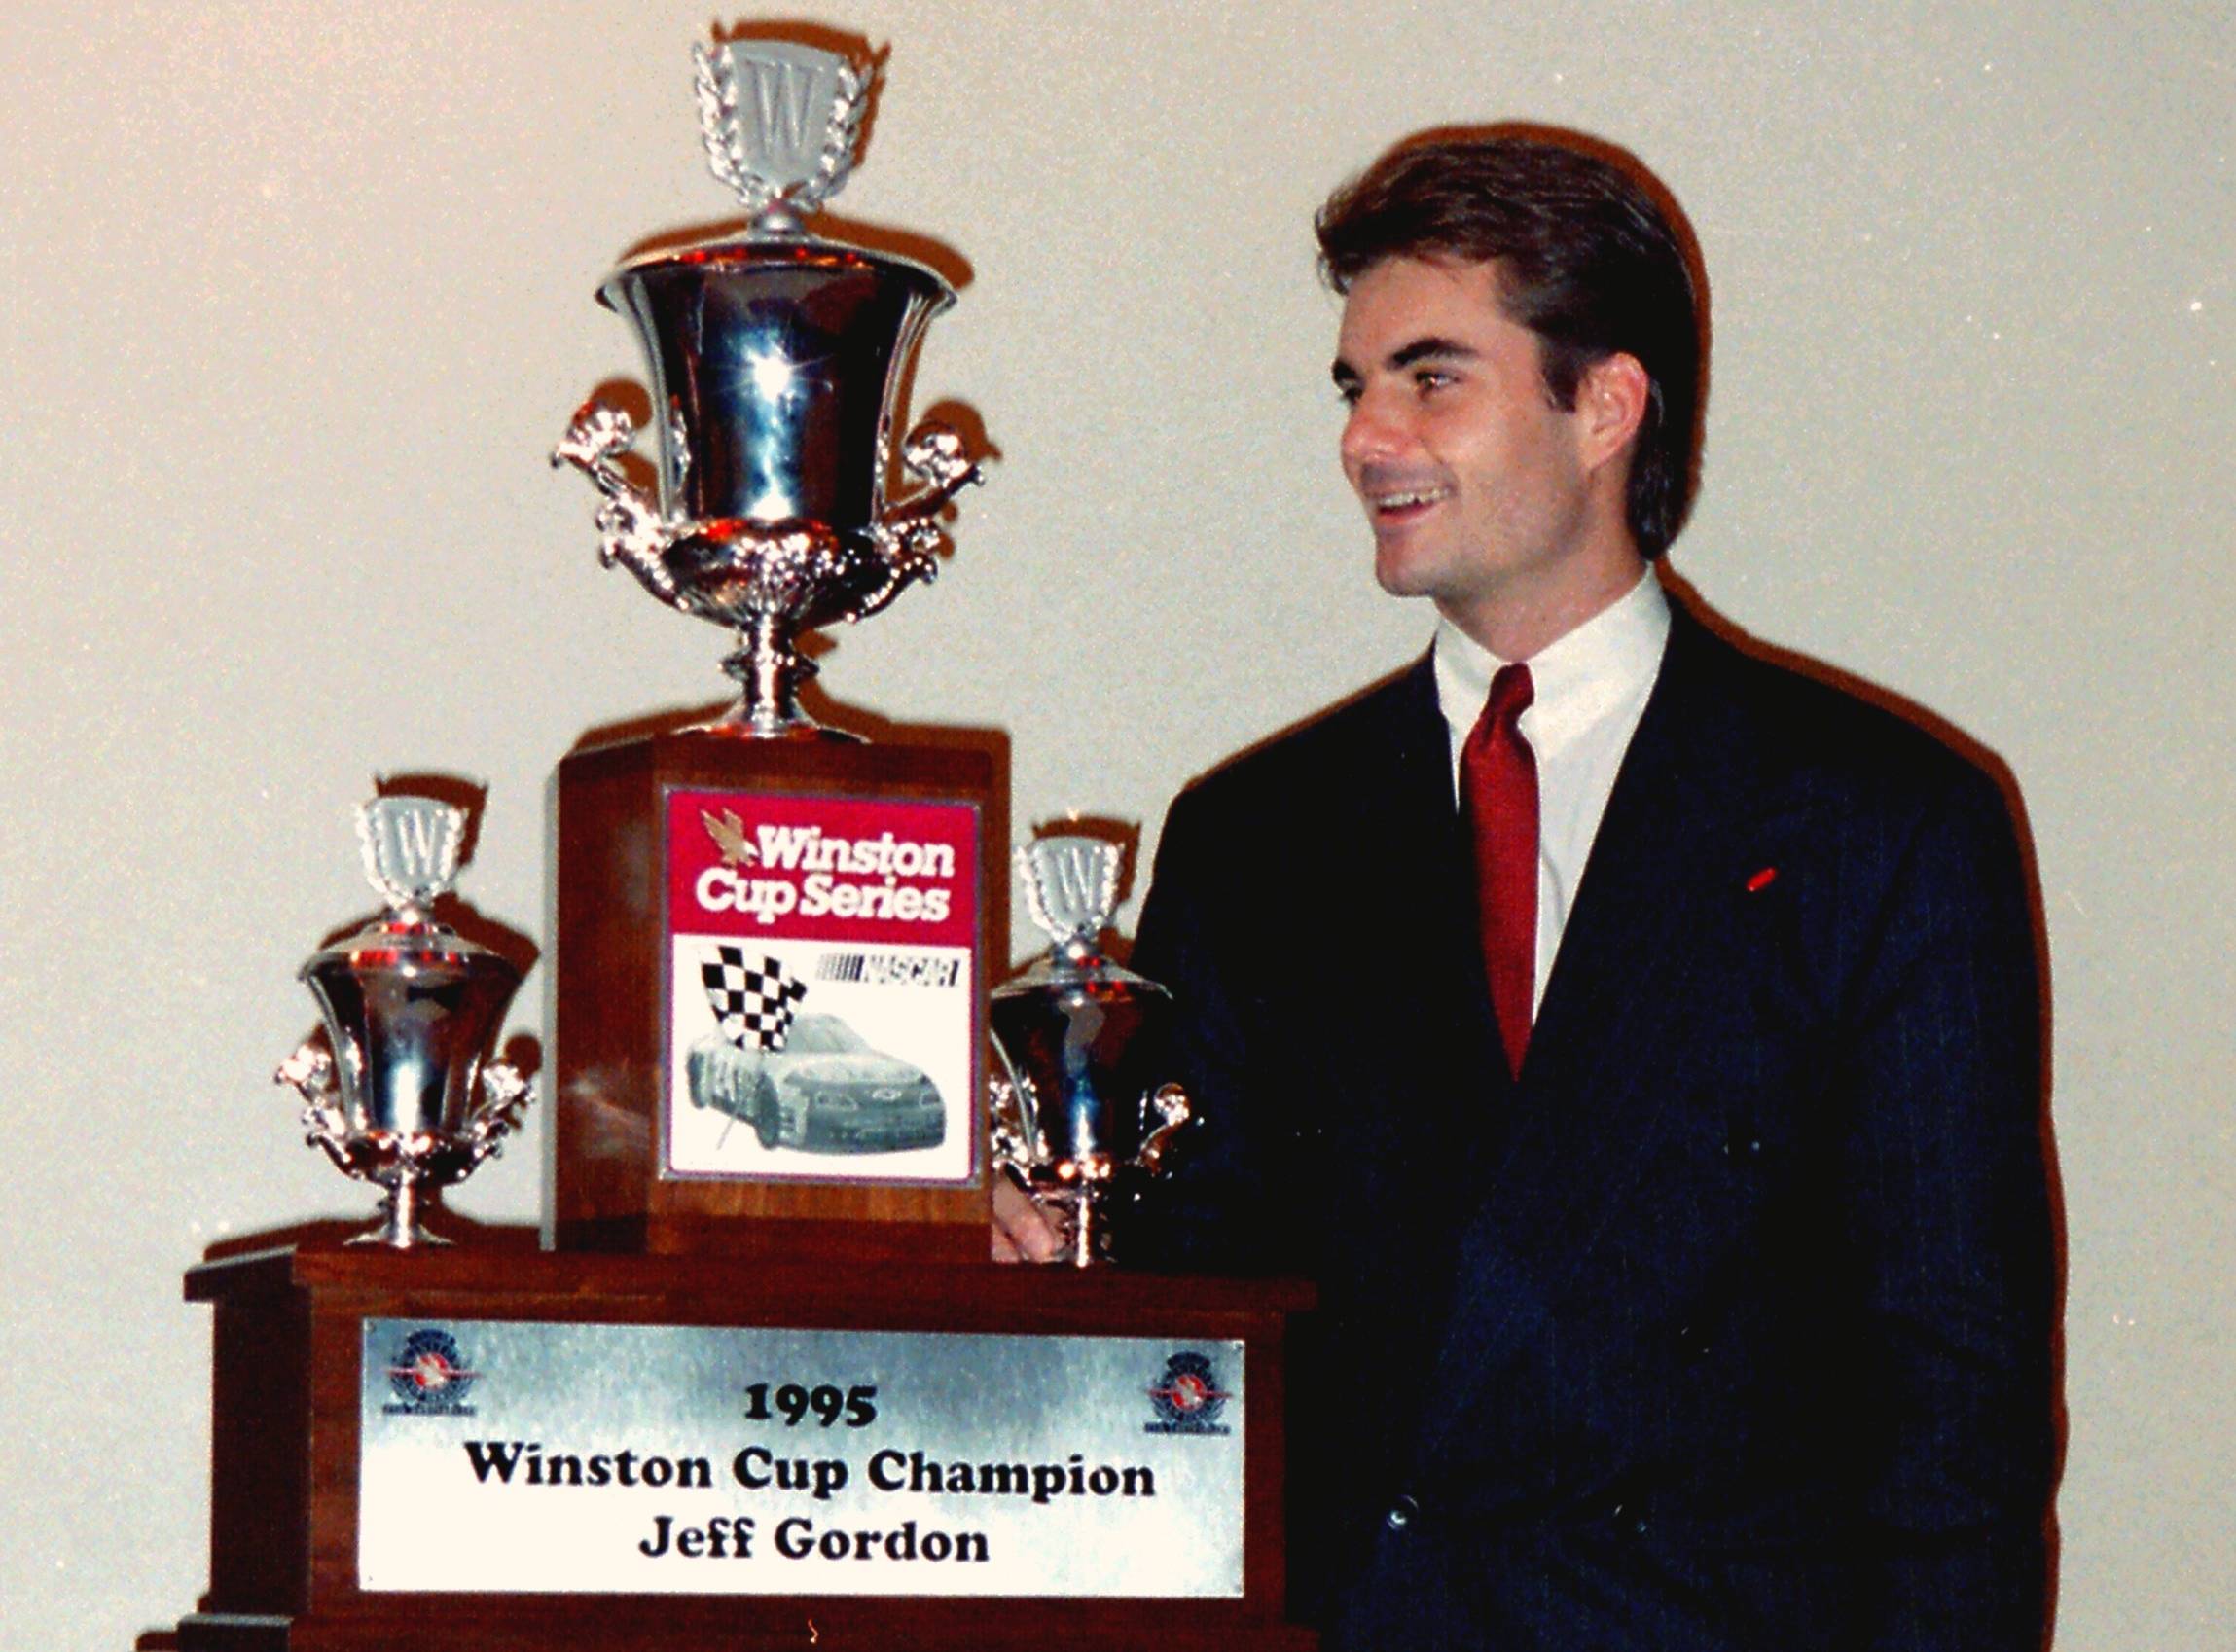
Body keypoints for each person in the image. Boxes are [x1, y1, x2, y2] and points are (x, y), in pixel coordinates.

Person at [996, 128, 2056, 1651]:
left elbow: (1957, 1404)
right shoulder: (1255, 833)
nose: (1366, 438)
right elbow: (1199, 1322)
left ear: (1605, 406)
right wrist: (1048, 1258)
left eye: (1430, 377)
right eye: (1353, 387)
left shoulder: (1875, 823)